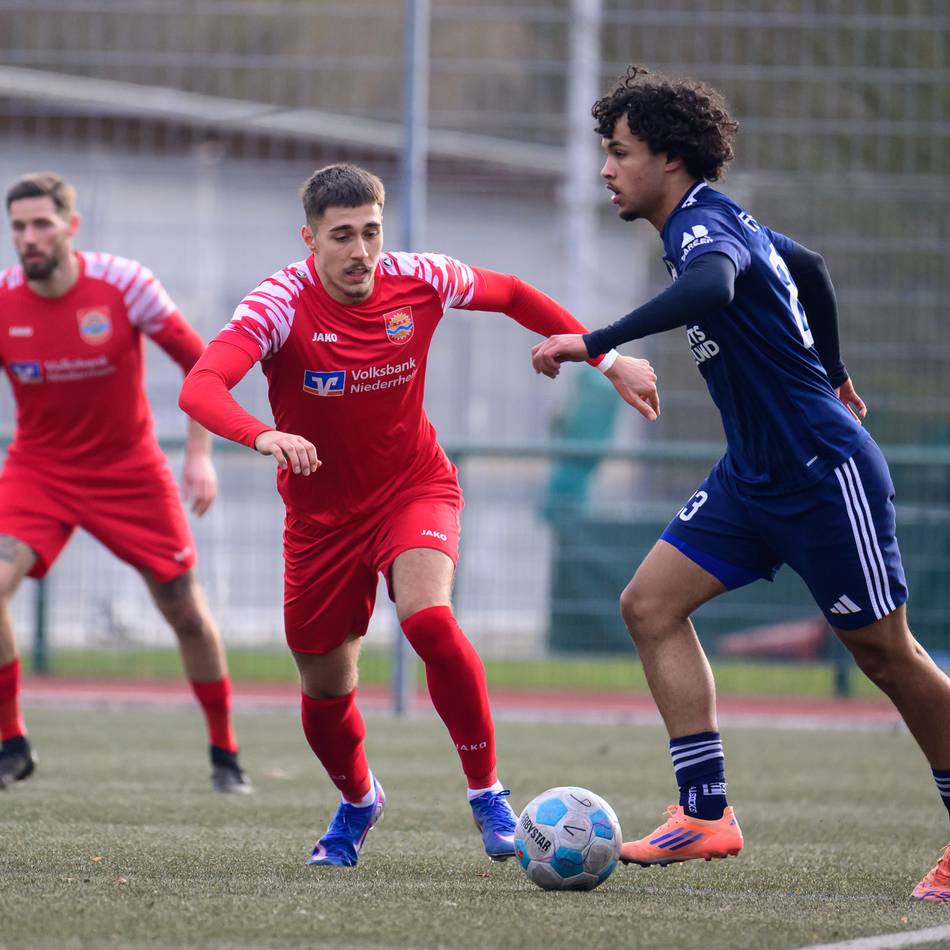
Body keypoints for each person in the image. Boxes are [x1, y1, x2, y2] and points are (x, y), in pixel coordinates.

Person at [531, 65, 950, 902]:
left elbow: (715, 284)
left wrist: (595, 340)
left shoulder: (700, 230)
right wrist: (833, 371)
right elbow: (813, 265)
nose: (607, 169)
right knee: (648, 605)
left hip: (822, 472)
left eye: (621, 153)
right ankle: (705, 813)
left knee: (887, 656)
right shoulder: (718, 219)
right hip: (753, 476)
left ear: (670, 161)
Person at [179, 162, 660, 867]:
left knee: (428, 620)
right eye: (341, 236)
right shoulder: (278, 303)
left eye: (370, 232)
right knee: (323, 690)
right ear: (309, 239)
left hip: (414, 489)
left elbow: (514, 293)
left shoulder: (421, 277)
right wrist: (264, 434)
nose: (360, 251)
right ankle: (359, 800)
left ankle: (487, 791)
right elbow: (200, 386)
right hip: (320, 522)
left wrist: (606, 357)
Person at [0, 172, 251, 794]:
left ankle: (226, 754)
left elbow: (204, 365)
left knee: (186, 613)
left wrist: (199, 454)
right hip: (39, 469)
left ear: (69, 227)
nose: (29, 239)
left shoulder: (125, 285)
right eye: (18, 228)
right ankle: (12, 743)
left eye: (40, 225)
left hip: (129, 473)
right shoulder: (4, 298)